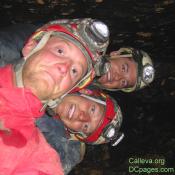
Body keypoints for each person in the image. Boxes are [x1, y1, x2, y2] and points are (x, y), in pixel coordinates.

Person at [0, 18, 110, 174]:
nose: (64, 68)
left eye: (74, 71)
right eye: (60, 51)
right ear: (31, 45)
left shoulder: (37, 157)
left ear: (67, 90)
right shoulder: (8, 48)